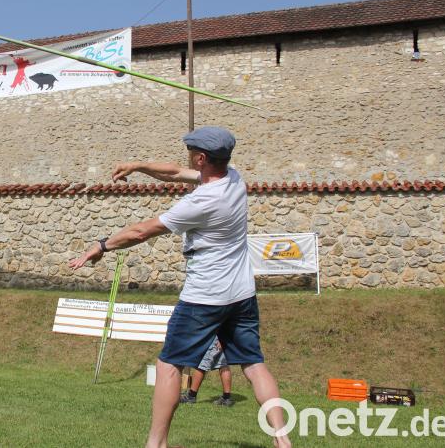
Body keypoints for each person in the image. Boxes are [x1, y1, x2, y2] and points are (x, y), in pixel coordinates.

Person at [69, 126, 290, 448]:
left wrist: (101, 246)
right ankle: (283, 442)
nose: (187, 158)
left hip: (205, 297)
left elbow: (142, 231)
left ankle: (155, 444)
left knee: (169, 365)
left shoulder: (202, 201)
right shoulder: (234, 178)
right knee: (254, 364)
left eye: (191, 154)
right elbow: (174, 173)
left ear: (201, 159)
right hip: (242, 293)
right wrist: (139, 166)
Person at [179, 336, 234, 406]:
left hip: (214, 336)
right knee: (223, 365)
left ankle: (191, 396)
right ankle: (227, 398)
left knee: (201, 364)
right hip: (222, 336)